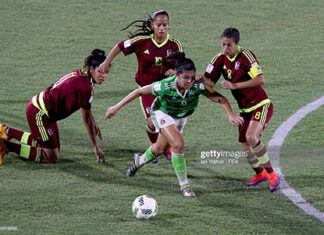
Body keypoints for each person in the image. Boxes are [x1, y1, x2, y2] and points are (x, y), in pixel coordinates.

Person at [105, 53, 243, 197]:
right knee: (178, 144)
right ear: (177, 75)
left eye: (192, 77)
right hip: (162, 113)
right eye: (185, 77)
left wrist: (230, 114)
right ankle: (185, 185)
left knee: (159, 149)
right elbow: (139, 91)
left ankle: (138, 161)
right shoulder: (165, 86)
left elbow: (220, 98)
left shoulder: (197, 86)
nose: (189, 81)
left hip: (181, 117)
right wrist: (116, 107)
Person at [198, 27, 280, 192]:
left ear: (237, 44)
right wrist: (201, 79)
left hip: (260, 104)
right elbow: (211, 83)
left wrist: (234, 85)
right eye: (223, 44)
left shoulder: (246, 56)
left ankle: (272, 175)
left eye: (229, 45)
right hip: (245, 110)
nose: (225, 48)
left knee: (251, 137)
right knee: (245, 148)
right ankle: (260, 174)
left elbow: (260, 79)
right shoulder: (219, 59)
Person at [98, 10, 183, 162]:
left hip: (166, 89)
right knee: (151, 122)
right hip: (147, 89)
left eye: (165, 25)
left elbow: (184, 64)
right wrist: (106, 62)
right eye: (158, 25)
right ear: (153, 25)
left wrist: (176, 70)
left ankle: (166, 149)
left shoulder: (174, 45)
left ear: (169, 25)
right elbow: (120, 46)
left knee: (167, 121)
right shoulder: (142, 41)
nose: (162, 28)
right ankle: (154, 146)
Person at [0, 49, 108, 164]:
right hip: (39, 113)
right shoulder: (86, 87)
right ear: (91, 69)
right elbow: (86, 119)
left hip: (46, 112)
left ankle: (7, 131)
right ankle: (6, 146)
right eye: (100, 72)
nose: (103, 76)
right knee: (51, 157)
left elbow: (85, 106)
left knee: (52, 148)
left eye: (106, 72)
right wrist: (96, 147)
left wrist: (93, 121)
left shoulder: (83, 75)